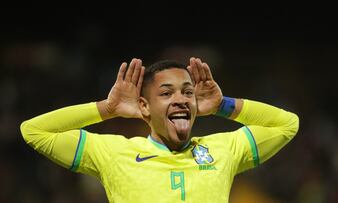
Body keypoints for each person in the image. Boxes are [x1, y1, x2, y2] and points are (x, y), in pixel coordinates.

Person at [20, 57, 299, 203]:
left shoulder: (222, 150)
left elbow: (287, 124)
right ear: (144, 107)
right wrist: (106, 109)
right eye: (166, 94)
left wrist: (223, 105)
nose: (180, 99)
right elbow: (34, 131)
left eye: (187, 92)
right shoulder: (116, 154)